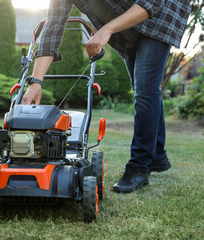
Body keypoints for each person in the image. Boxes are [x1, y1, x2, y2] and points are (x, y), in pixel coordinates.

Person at [21, 0, 191, 193]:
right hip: (128, 26)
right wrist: (36, 83)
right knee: (144, 88)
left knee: (145, 90)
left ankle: (138, 166)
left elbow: (152, 3)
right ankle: (157, 155)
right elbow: (52, 28)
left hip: (161, 13)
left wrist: (107, 29)